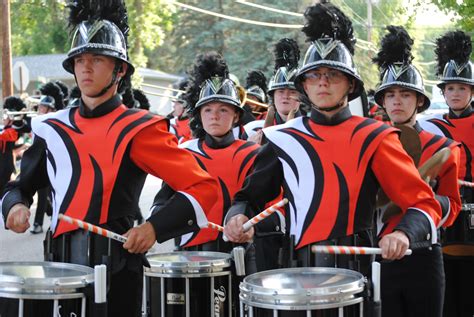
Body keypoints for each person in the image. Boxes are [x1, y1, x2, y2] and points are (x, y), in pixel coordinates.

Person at [0, 1, 217, 317]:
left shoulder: (140, 128)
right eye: (81, 60)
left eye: (98, 59)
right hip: (59, 270)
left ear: (120, 69)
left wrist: (154, 228)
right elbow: (19, 186)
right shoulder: (51, 127)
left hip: (117, 272)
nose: (86, 67)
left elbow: (203, 187)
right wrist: (15, 206)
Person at [224, 2, 442, 315]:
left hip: (355, 277)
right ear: (303, 85)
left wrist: (403, 232)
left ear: (350, 84)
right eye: (314, 75)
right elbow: (249, 198)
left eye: (332, 74)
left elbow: (424, 203)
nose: (323, 82)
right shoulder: (283, 138)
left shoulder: (374, 137)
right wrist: (238, 216)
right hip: (296, 275)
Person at [372, 26, 461, 317]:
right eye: (391, 95)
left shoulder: (443, 146)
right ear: (382, 101)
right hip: (378, 253)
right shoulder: (366, 143)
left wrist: (429, 197)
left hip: (424, 253)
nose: (397, 101)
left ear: (419, 101)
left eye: (406, 94)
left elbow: (453, 206)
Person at [419, 30, 474, 317]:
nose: (455, 93)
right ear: (442, 92)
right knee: (447, 275)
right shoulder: (431, 127)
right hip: (448, 202)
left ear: (472, 92)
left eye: (462, 88)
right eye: (450, 88)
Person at [242, 38, 301, 142]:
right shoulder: (251, 130)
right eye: (281, 91)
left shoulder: (311, 129)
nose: (286, 96)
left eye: (292, 92)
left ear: (301, 97)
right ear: (273, 96)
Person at [30, 82, 66, 234]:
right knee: (43, 193)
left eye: (43, 107)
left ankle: (49, 220)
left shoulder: (54, 123)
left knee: (52, 195)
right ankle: (42, 221)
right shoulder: (36, 122)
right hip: (40, 164)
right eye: (39, 107)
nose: (40, 110)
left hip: (53, 164)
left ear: (51, 109)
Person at [0, 97, 31, 194]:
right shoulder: (5, 128)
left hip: (5, 165)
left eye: (7, 116)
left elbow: (27, 128)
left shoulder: (13, 131)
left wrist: (22, 117)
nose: (4, 118)